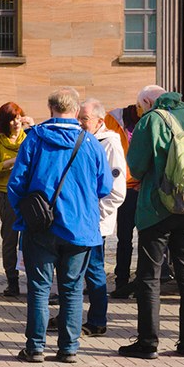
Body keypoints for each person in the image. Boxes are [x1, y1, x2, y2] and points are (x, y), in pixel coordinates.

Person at [8, 88, 112, 364]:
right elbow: (105, 186)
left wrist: (26, 212)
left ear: (50, 108)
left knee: (40, 289)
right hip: (80, 228)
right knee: (72, 289)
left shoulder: (35, 140)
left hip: (41, 227)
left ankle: (35, 347)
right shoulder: (90, 142)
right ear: (76, 111)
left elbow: (16, 185)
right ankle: (68, 348)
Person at [119, 90, 184, 359]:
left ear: (148, 103)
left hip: (156, 208)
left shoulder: (151, 121)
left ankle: (148, 342)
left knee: (149, 276)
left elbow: (135, 167)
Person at [72, 98, 126, 336]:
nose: (80, 123)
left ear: (99, 121)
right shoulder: (83, 139)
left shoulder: (110, 143)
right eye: (79, 118)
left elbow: (116, 191)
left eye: (84, 119)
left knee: (94, 271)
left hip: (94, 222)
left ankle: (97, 321)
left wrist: (96, 217)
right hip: (77, 218)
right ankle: (69, 315)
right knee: (71, 269)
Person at [107, 85, 166, 298]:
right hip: (124, 188)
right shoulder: (114, 119)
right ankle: (121, 281)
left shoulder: (159, 119)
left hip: (145, 188)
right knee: (124, 238)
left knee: (147, 239)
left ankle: (143, 282)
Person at [0, 102, 34, 297]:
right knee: (9, 239)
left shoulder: (29, 138)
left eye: (18, 118)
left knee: (31, 239)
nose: (16, 123)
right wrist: (11, 162)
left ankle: (34, 279)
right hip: (7, 195)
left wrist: (32, 126)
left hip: (28, 196)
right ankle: (12, 281)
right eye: (12, 119)